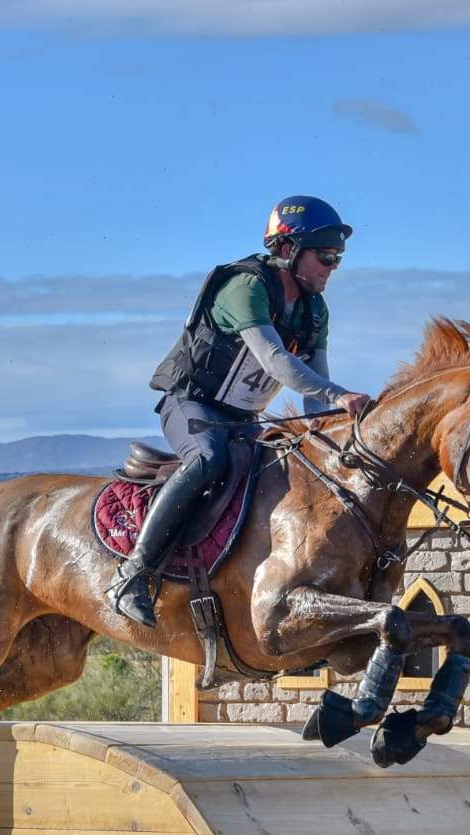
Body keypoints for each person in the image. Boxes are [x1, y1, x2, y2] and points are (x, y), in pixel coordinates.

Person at [108, 196, 374, 627]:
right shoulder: (246, 287)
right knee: (208, 459)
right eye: (325, 257)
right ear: (288, 250)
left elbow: (313, 398)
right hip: (192, 406)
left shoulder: (314, 310)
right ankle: (132, 575)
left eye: (337, 260)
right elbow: (276, 361)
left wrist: (332, 439)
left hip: (243, 421)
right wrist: (339, 394)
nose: (332, 268)